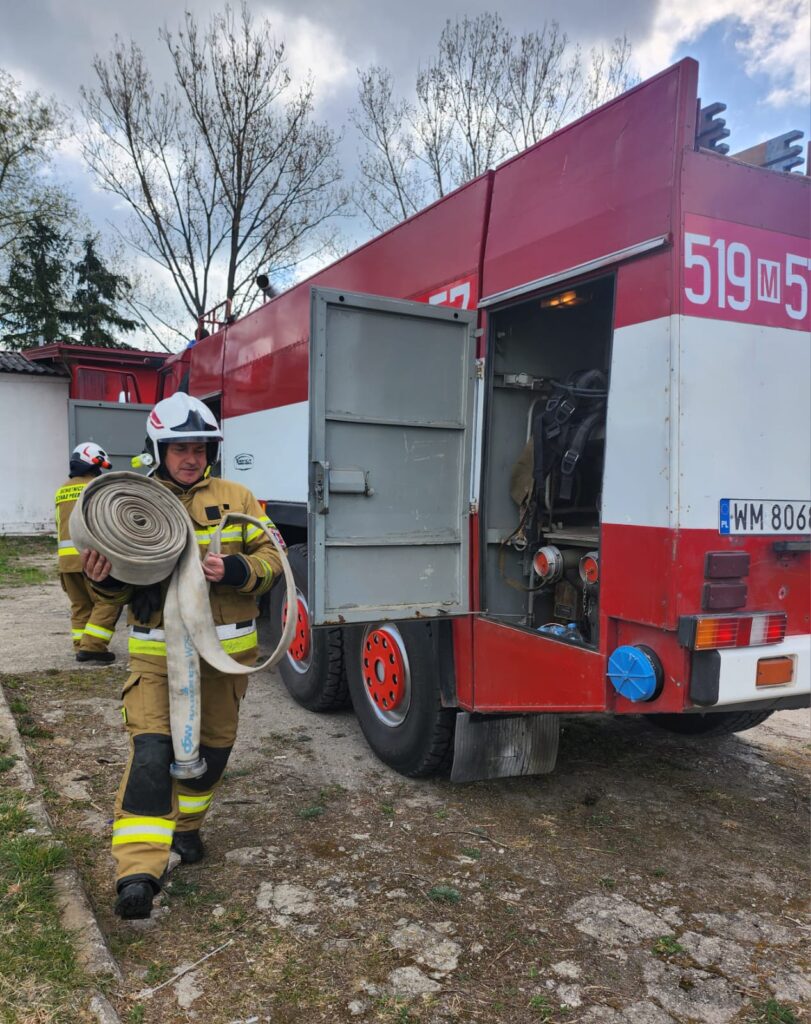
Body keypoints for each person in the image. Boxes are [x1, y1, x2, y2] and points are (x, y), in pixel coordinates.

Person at [82, 393, 285, 920]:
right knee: (151, 756)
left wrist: (238, 571)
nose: (191, 458)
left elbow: (274, 558)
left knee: (210, 756)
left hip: (225, 661)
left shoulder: (238, 496)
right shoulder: (137, 501)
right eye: (179, 449)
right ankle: (139, 872)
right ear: (159, 449)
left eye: (199, 448)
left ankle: (188, 830)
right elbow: (113, 599)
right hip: (157, 661)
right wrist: (100, 580)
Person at [55, 442, 122, 663]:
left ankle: (80, 646)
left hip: (66, 562)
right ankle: (93, 647)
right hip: (92, 559)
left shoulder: (62, 490)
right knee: (108, 600)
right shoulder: (96, 487)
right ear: (94, 464)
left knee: (80, 604)